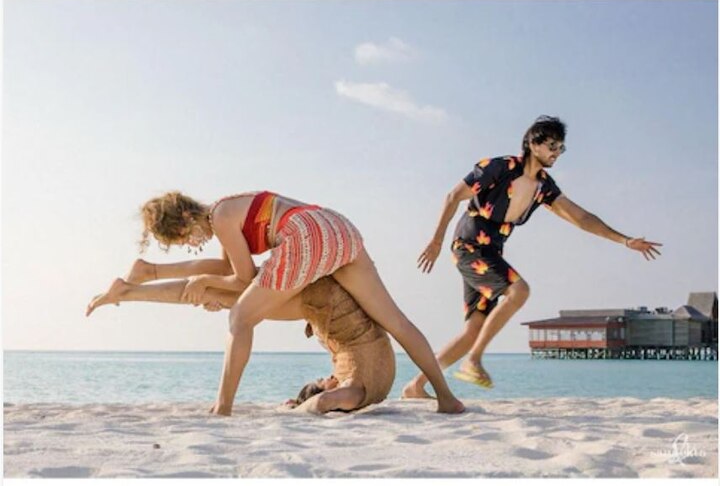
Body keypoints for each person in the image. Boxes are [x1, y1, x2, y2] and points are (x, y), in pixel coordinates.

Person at [122, 191, 463, 415]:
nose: (191, 244)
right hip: (338, 227)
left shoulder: (221, 218)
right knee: (396, 321)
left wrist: (207, 284)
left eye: (184, 239)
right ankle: (446, 398)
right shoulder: (227, 209)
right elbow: (228, 269)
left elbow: (242, 281)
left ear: (184, 219)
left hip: (306, 233)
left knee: (240, 318)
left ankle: (223, 407)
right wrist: (158, 273)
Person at [402, 115, 662, 397]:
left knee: (474, 329)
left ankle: (416, 386)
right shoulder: (499, 168)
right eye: (552, 145)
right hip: (468, 245)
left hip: (491, 252)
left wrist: (624, 240)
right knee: (519, 291)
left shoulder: (543, 186)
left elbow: (581, 217)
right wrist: (436, 241)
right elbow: (454, 196)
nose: (557, 153)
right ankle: (473, 360)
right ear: (533, 143)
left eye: (561, 148)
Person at [87, 272, 395, 414]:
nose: (325, 378)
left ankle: (132, 288)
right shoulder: (357, 389)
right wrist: (296, 411)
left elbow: (324, 398)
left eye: (319, 380)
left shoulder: (361, 382)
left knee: (223, 292)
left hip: (320, 304)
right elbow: (325, 402)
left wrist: (298, 403)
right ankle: (130, 289)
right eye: (323, 381)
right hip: (320, 297)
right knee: (224, 288)